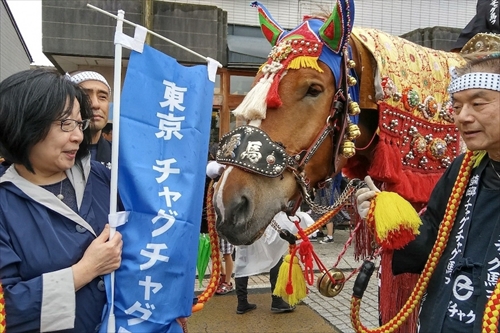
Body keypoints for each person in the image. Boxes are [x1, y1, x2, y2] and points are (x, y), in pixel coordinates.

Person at [356, 51, 500, 332]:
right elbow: (433, 239)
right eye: (457, 107)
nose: (463, 118)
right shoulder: (463, 169)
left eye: (478, 104)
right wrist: (390, 218)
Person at [0, 68, 123, 332]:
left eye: (79, 124)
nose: (78, 136)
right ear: (25, 124)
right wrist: (84, 271)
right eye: (65, 124)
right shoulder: (5, 202)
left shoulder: (102, 178)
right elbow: (7, 309)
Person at [70, 71, 112, 167]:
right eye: (85, 96)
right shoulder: (54, 154)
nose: (95, 104)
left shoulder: (120, 156)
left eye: (102, 97)